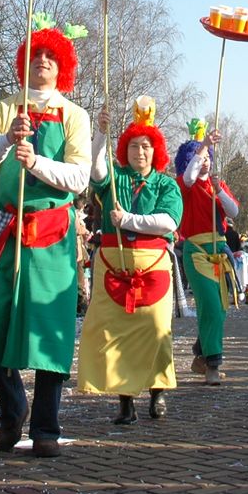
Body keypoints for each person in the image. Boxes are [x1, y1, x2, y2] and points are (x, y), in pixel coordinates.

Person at [0, 19, 91, 458]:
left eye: (50, 57)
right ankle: (12, 409)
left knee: (48, 328)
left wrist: (37, 162)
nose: (42, 61)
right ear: (23, 62)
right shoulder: (3, 109)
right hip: (4, 227)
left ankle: (45, 426)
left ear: (63, 67)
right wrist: (8, 140)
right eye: (36, 55)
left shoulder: (74, 116)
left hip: (52, 233)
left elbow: (78, 177)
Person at [77, 96, 181, 424]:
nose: (140, 152)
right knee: (113, 332)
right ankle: (125, 401)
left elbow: (168, 221)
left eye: (146, 146)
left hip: (152, 264)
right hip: (113, 262)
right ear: (126, 149)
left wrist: (129, 221)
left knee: (157, 328)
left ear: (155, 151)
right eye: (134, 146)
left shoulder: (166, 184)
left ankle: (157, 390)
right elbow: (95, 170)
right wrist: (101, 133)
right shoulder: (115, 176)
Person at [175, 122, 239, 385]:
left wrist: (219, 190)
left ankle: (201, 354)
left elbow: (234, 212)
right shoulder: (184, 185)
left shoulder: (218, 184)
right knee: (211, 306)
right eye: (199, 158)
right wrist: (203, 146)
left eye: (207, 158)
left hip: (220, 251)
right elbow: (189, 177)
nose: (204, 162)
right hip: (197, 252)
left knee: (219, 309)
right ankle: (213, 364)